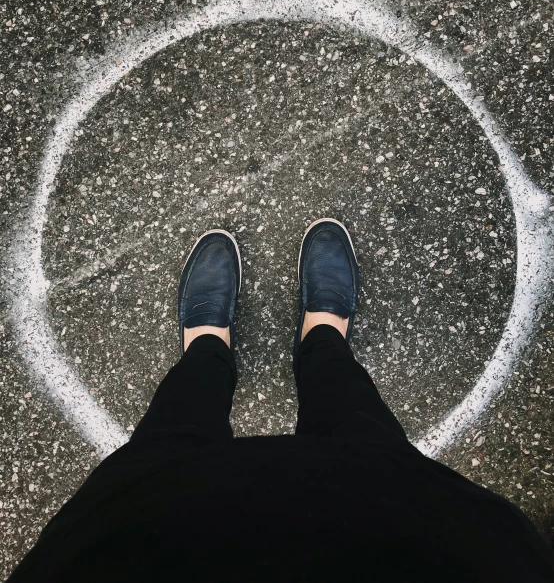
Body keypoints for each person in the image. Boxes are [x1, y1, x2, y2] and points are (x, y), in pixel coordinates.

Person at [7, 219, 554, 582]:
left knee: (171, 442)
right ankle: (322, 335)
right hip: (406, 543)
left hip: (143, 547)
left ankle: (207, 348)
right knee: (358, 433)